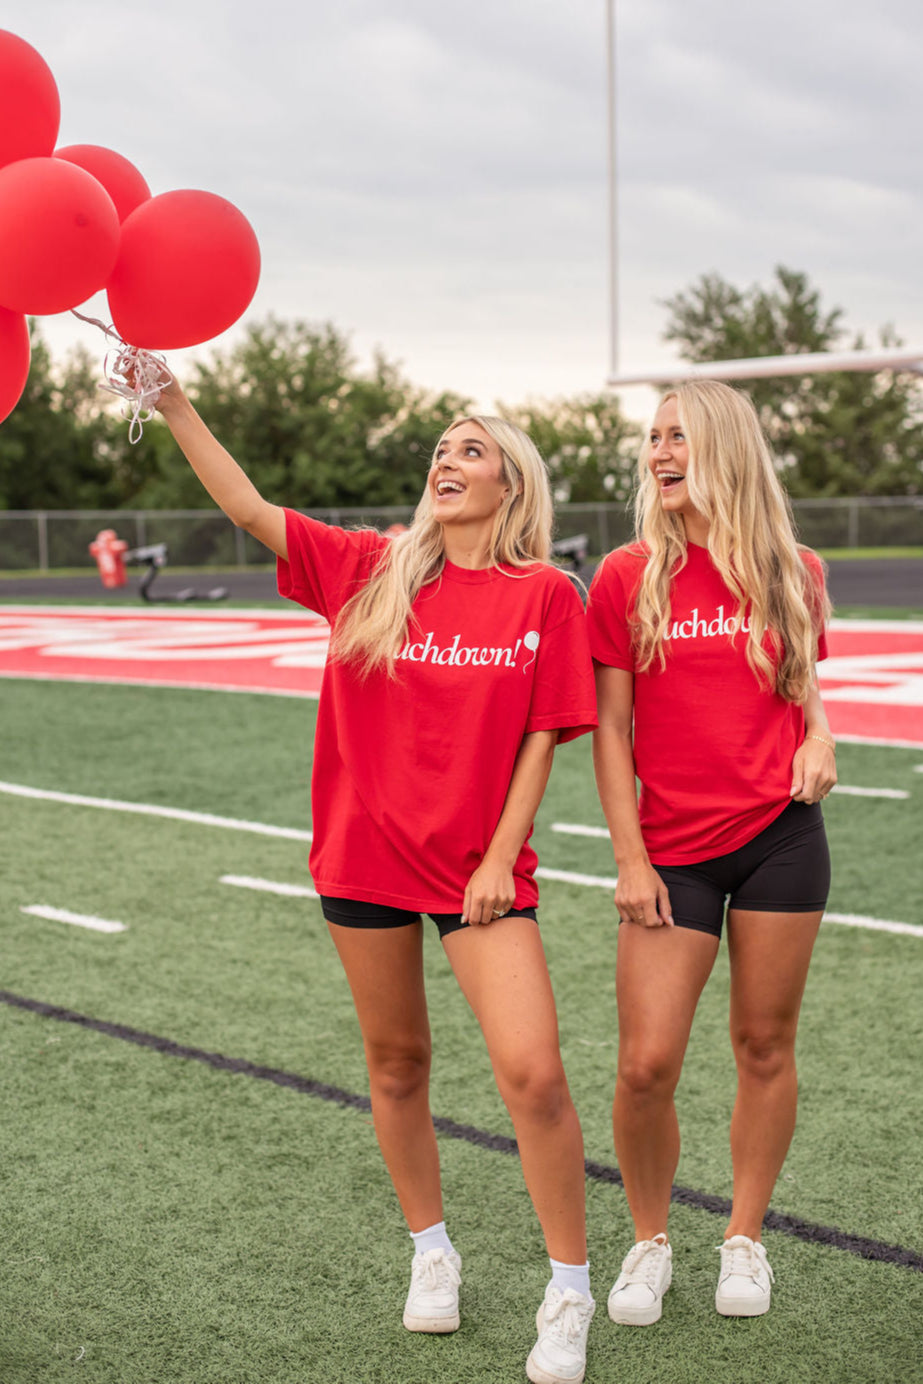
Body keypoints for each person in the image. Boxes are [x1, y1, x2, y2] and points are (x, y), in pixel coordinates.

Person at [153, 380, 599, 1384]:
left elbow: (543, 734)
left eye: (470, 450)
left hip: (478, 872)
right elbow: (248, 508)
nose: (446, 460)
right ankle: (430, 1251)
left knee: (534, 1075)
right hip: (362, 857)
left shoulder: (544, 594)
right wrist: (175, 403)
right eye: (440, 448)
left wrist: (499, 857)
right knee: (397, 1063)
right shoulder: (371, 568)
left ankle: (568, 1289)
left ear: (511, 484)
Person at [586, 379, 836, 1327]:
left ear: (723, 447)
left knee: (764, 1046)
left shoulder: (793, 569)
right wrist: (629, 857)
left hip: (780, 837)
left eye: (677, 436)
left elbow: (805, 694)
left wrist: (820, 738)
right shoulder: (625, 575)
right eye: (652, 437)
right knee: (645, 1064)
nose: (658, 452)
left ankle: (744, 1238)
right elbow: (611, 729)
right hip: (670, 854)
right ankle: (648, 1241)